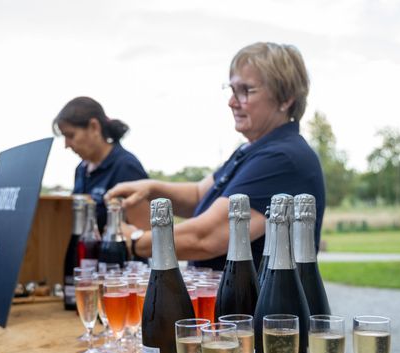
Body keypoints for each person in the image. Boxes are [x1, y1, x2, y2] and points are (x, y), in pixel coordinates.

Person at [106, 42, 326, 270]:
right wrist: (151, 188)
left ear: (285, 98)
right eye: (232, 90)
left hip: (255, 305)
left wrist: (134, 241)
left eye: (245, 91)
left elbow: (207, 237)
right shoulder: (254, 149)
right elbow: (200, 195)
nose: (232, 102)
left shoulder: (282, 158)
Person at [52, 96, 149, 232]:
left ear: (94, 127)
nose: (66, 145)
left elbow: (145, 235)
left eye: (71, 135)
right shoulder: (81, 169)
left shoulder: (125, 167)